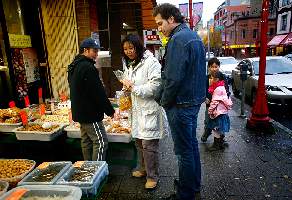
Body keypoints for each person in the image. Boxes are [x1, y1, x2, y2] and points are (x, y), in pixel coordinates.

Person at [153, 4, 206, 200]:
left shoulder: (177, 40)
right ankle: (193, 185)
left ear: (171, 19)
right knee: (191, 146)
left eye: (160, 23)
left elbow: (172, 78)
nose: (159, 28)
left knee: (184, 151)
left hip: (181, 104)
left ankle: (185, 193)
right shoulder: (193, 36)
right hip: (192, 102)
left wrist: (164, 101)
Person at [120, 34, 170, 189]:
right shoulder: (130, 64)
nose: (128, 51)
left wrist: (133, 88)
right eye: (125, 49)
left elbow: (155, 86)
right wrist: (126, 90)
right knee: (139, 143)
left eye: (131, 48)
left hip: (149, 110)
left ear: (138, 46)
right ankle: (143, 169)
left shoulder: (151, 62)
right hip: (136, 110)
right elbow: (129, 84)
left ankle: (152, 176)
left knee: (149, 146)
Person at [68, 38, 115, 161]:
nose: (96, 54)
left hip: (80, 112)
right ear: (85, 50)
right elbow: (98, 93)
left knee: (87, 141)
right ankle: (96, 172)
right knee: (100, 142)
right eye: (94, 51)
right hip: (90, 113)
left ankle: (88, 169)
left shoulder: (74, 65)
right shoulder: (88, 67)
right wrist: (110, 110)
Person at [201, 57, 230, 144]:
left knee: (220, 122)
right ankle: (206, 133)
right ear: (209, 67)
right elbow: (202, 90)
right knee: (208, 120)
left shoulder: (222, 76)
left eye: (216, 66)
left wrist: (224, 99)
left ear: (219, 67)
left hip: (221, 106)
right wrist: (205, 98)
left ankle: (220, 138)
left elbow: (227, 90)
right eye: (212, 67)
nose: (214, 69)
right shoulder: (206, 78)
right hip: (209, 105)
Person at [207, 73, 232, 151]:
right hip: (222, 112)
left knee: (216, 129)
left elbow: (214, 102)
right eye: (211, 78)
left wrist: (210, 110)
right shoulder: (222, 87)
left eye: (213, 78)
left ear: (218, 80)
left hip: (218, 113)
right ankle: (221, 143)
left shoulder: (217, 89)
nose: (211, 80)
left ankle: (216, 145)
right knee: (220, 128)